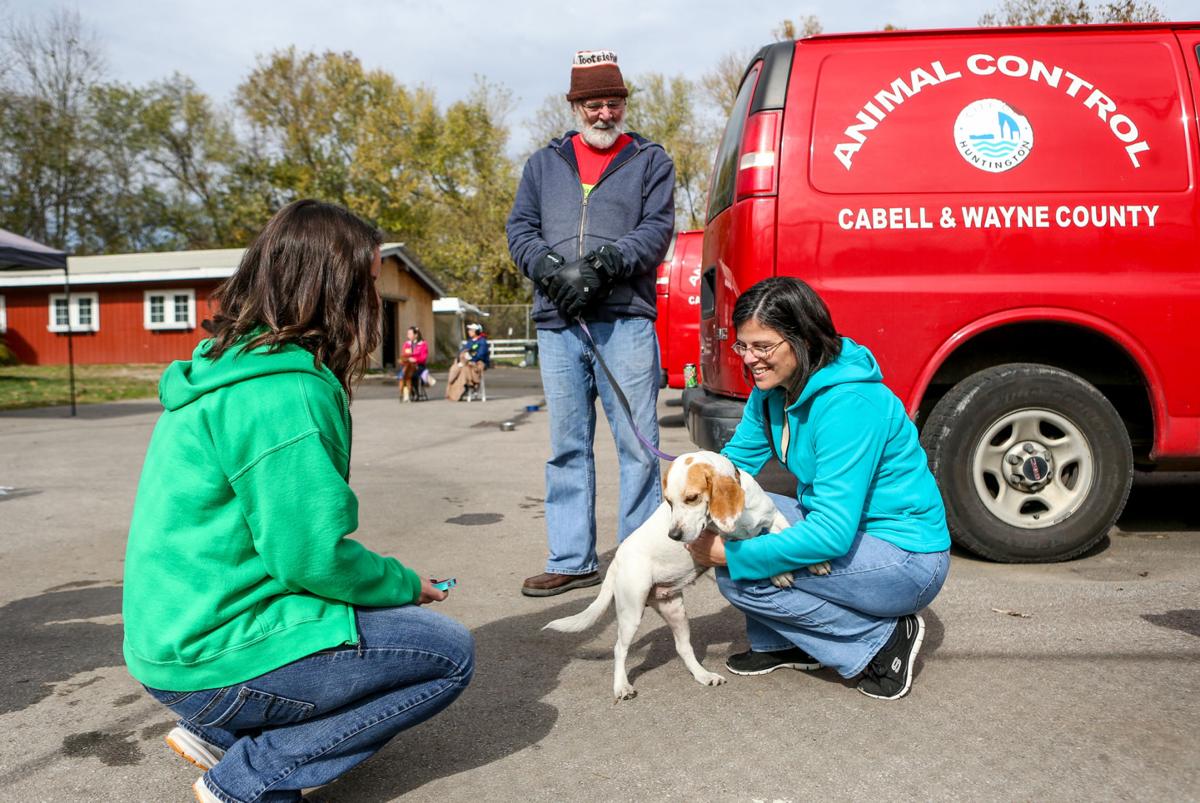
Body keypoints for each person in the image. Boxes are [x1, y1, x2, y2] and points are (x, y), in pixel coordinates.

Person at [122, 199, 475, 802]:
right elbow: (311, 558)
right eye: (368, 283)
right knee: (448, 654)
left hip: (169, 638)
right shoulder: (285, 395)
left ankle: (217, 731)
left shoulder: (228, 366)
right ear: (330, 288)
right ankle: (247, 779)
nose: (374, 300)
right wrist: (402, 583)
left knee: (379, 626)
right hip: (209, 654)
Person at [684, 277, 951, 700]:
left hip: (906, 559)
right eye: (743, 346)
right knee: (737, 519)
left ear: (804, 339)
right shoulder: (772, 391)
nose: (750, 359)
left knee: (739, 574)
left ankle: (881, 640)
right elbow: (729, 473)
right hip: (850, 534)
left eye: (762, 346)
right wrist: (682, 503)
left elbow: (832, 534)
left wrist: (729, 554)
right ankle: (788, 643)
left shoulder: (850, 404)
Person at [507, 49, 675, 597]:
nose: (605, 113)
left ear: (624, 103)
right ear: (574, 106)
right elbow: (520, 230)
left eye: (614, 102)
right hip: (558, 324)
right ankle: (572, 559)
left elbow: (656, 231)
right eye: (594, 104)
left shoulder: (650, 160)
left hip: (625, 322)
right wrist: (549, 268)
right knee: (567, 445)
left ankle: (640, 560)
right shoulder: (542, 164)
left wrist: (605, 264)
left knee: (638, 445)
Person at [444, 322, 491, 401]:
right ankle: (453, 392)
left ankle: (466, 387)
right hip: (466, 362)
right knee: (454, 369)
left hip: (478, 363)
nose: (469, 331)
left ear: (477, 331)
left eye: (471, 330)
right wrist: (460, 358)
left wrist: (470, 358)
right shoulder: (470, 341)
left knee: (465, 370)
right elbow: (462, 350)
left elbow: (480, 355)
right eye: (469, 330)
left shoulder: (482, 342)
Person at [398, 325, 429, 402]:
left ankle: (415, 393)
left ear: (416, 335)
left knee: (413, 375)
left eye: (410, 334)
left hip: (419, 366)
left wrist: (415, 360)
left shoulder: (423, 344)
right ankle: (406, 393)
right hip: (408, 365)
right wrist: (407, 359)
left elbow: (423, 358)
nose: (408, 335)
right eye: (408, 334)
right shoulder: (407, 344)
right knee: (403, 374)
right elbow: (404, 355)